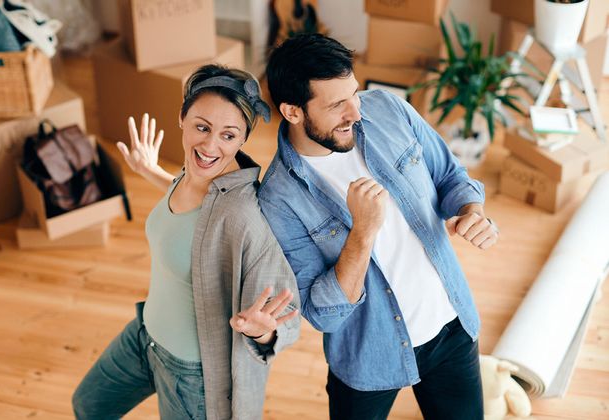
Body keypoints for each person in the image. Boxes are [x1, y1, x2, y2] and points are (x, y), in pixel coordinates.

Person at [258, 33, 500, 420]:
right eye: (337, 104)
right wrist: (363, 231)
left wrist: (472, 211)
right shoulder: (277, 197)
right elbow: (324, 313)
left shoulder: (387, 109)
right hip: (368, 356)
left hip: (451, 326)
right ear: (292, 112)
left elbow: (451, 175)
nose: (355, 111)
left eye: (353, 93)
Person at [72, 64, 300, 419]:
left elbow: (286, 315)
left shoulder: (243, 216)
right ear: (182, 117)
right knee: (89, 404)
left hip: (190, 373)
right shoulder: (192, 174)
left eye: (228, 135)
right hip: (144, 335)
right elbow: (195, 214)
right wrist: (151, 171)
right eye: (202, 127)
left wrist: (264, 335)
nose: (210, 145)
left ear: (242, 140)